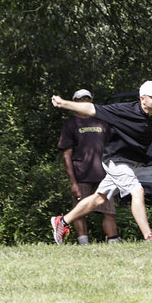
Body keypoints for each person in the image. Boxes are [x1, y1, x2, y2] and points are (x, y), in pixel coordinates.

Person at [50, 80, 152, 243]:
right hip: (115, 159)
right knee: (137, 190)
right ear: (142, 98)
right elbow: (91, 108)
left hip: (129, 162)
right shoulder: (124, 110)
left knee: (100, 198)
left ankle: (62, 221)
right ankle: (149, 236)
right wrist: (64, 103)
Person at [57, 89, 120, 244]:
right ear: (74, 102)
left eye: (87, 98)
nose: (84, 101)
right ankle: (83, 244)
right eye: (80, 99)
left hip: (104, 175)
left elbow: (111, 147)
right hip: (81, 176)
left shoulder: (102, 122)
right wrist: (73, 183)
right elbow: (66, 156)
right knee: (79, 212)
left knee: (109, 211)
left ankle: (114, 243)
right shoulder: (70, 124)